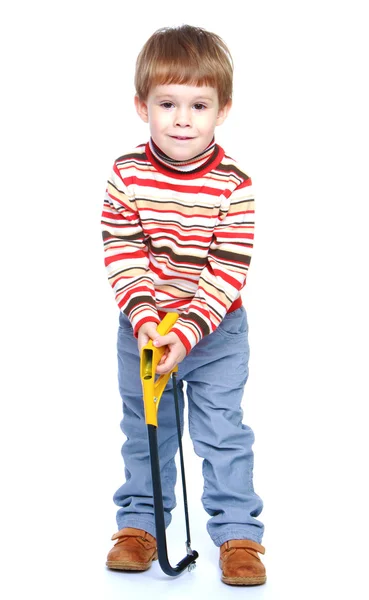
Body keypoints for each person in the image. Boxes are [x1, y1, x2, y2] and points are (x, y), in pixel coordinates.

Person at [101, 24, 265, 586]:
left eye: (198, 105)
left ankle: (239, 535)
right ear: (142, 105)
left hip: (216, 334)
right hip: (144, 331)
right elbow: (123, 256)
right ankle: (140, 525)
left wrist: (187, 333)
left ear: (222, 110)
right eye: (167, 103)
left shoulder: (234, 186)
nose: (181, 118)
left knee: (222, 432)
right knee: (147, 430)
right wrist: (148, 323)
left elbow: (227, 269)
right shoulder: (127, 177)